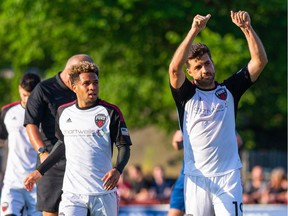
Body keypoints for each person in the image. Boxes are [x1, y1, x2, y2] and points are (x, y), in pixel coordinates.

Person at [168, 10, 267, 216]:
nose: (205, 69)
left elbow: (259, 62)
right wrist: (194, 30)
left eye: (207, 63)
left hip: (228, 176)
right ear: (190, 72)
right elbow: (174, 69)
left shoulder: (229, 90)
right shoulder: (186, 94)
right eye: (198, 66)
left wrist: (247, 28)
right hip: (197, 178)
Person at [24, 60, 132, 215]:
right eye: (86, 83)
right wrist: (39, 171)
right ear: (74, 87)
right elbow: (62, 145)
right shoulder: (63, 112)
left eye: (95, 83)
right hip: (72, 194)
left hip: (103, 192)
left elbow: (124, 147)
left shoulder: (110, 112)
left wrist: (118, 169)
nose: (92, 87)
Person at [24, 54, 94, 216]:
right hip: (52, 163)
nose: (88, 83)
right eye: (83, 77)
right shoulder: (43, 89)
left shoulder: (84, 90)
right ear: (71, 74)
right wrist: (42, 153)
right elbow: (31, 124)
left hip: (79, 164)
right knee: (51, 211)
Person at [0, 73, 41, 216]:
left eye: (31, 95)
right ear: (19, 89)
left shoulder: (47, 114)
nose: (27, 99)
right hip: (12, 181)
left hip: (37, 182)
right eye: (24, 95)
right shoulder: (7, 112)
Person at [168, 130, 185, 216]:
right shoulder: (188, 120)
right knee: (174, 212)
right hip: (186, 176)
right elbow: (176, 143)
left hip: (216, 174)